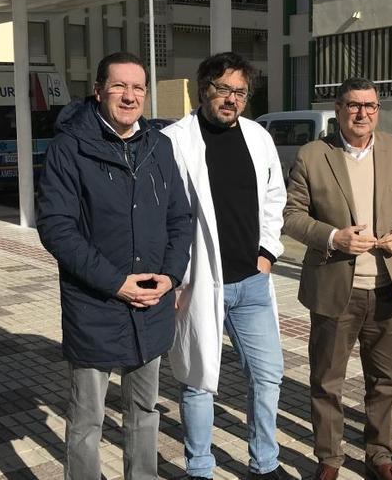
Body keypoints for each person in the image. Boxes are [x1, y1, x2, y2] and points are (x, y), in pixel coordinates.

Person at [36, 52, 193, 480]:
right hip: (96, 305)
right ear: (99, 90)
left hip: (152, 302)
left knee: (145, 410)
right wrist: (115, 283)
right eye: (119, 86)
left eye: (138, 87)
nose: (129, 95)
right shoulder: (71, 147)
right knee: (88, 420)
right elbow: (56, 227)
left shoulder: (159, 145)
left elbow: (181, 216)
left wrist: (172, 275)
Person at [282, 77, 392, 480]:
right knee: (327, 381)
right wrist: (333, 236)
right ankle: (329, 458)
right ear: (338, 109)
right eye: (354, 105)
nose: (363, 113)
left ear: (379, 109)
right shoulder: (312, 155)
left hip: (387, 288)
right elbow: (291, 215)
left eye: (371, 106)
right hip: (334, 286)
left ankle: (380, 455)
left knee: (386, 381)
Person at [162, 52, 289, 480]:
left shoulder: (258, 136)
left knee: (268, 376)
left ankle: (265, 462)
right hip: (199, 281)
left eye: (240, 92)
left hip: (253, 281)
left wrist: (267, 254)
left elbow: (275, 197)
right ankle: (199, 467)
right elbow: (166, 212)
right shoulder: (176, 139)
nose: (231, 99)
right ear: (204, 90)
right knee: (199, 379)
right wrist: (177, 275)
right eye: (223, 89)